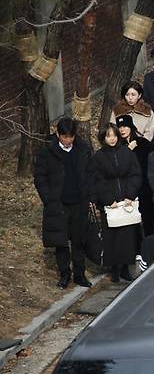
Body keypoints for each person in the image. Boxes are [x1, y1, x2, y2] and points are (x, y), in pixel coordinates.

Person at [34, 118, 93, 289]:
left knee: (78, 240)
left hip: (79, 202)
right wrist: (48, 198)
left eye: (71, 136)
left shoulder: (83, 149)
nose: (68, 140)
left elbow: (90, 173)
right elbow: (40, 177)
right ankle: (64, 274)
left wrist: (88, 194)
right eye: (64, 136)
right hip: (58, 203)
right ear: (58, 135)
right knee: (60, 241)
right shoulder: (47, 151)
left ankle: (80, 274)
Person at [90, 123, 142, 283]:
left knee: (127, 235)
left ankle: (126, 267)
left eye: (114, 135)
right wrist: (107, 199)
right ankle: (114, 268)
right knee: (111, 236)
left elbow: (136, 174)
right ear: (103, 138)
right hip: (110, 202)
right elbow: (96, 180)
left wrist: (130, 195)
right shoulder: (98, 157)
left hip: (126, 200)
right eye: (108, 136)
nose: (111, 139)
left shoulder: (127, 152)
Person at [115, 114, 154, 237]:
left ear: (131, 127)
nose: (122, 130)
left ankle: (151, 243)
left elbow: (150, 165)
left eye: (125, 126)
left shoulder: (143, 143)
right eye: (120, 127)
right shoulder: (117, 148)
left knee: (148, 218)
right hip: (128, 190)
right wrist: (128, 150)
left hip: (145, 187)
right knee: (132, 223)